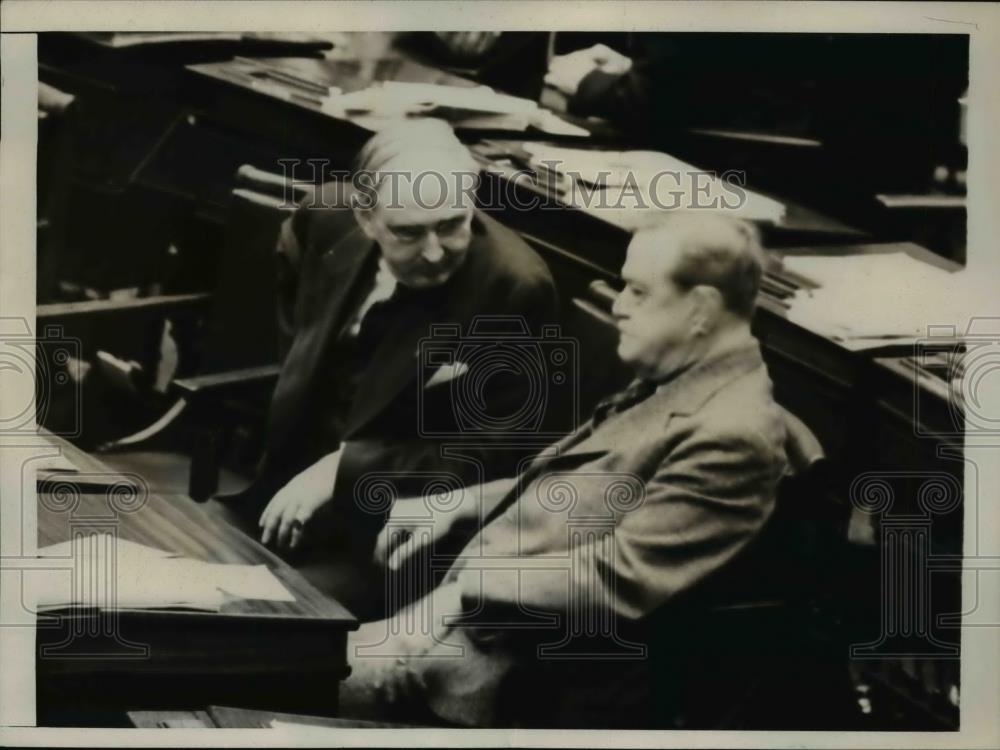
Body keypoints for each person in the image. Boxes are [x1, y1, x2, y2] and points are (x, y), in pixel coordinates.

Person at [338, 212, 790, 726]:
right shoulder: (684, 378)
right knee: (267, 639)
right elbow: (575, 487)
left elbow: (619, 576)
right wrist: (458, 502)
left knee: (268, 665)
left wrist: (461, 592)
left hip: (512, 668)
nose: (618, 307)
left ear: (701, 309)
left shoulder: (733, 434)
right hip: (472, 619)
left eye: (638, 292)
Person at [241, 121, 558, 614]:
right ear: (364, 217)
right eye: (408, 232)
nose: (435, 252)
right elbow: (289, 344)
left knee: (260, 617)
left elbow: (493, 454)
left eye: (453, 224)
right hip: (269, 487)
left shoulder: (513, 288)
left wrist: (343, 469)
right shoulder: (324, 218)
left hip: (393, 535)